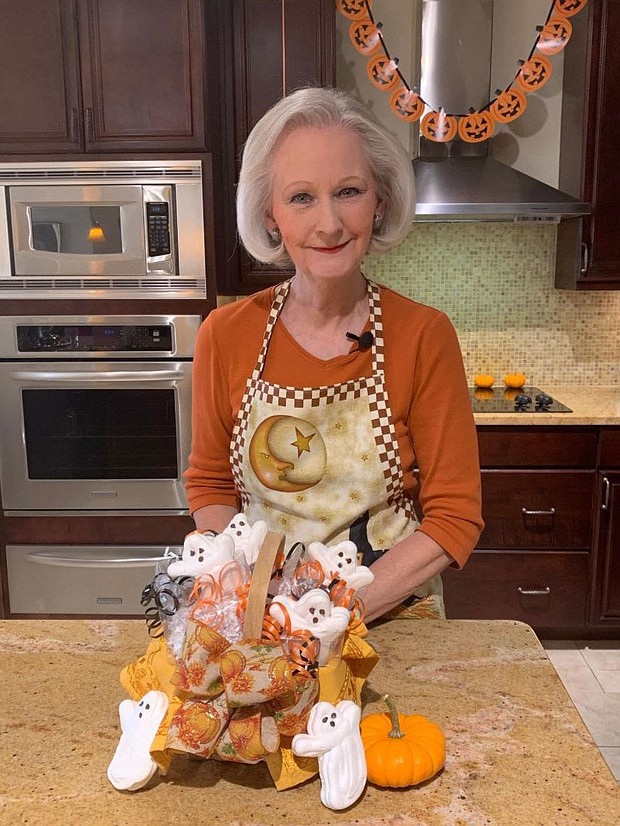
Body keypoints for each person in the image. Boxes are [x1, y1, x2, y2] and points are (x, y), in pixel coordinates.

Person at [184, 86, 483, 623]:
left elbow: (454, 517)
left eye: (349, 191)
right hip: (264, 616)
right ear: (270, 214)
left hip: (393, 619)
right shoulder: (225, 335)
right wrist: (253, 599)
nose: (329, 224)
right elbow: (210, 486)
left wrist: (332, 613)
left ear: (380, 201)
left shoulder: (423, 335)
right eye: (301, 197)